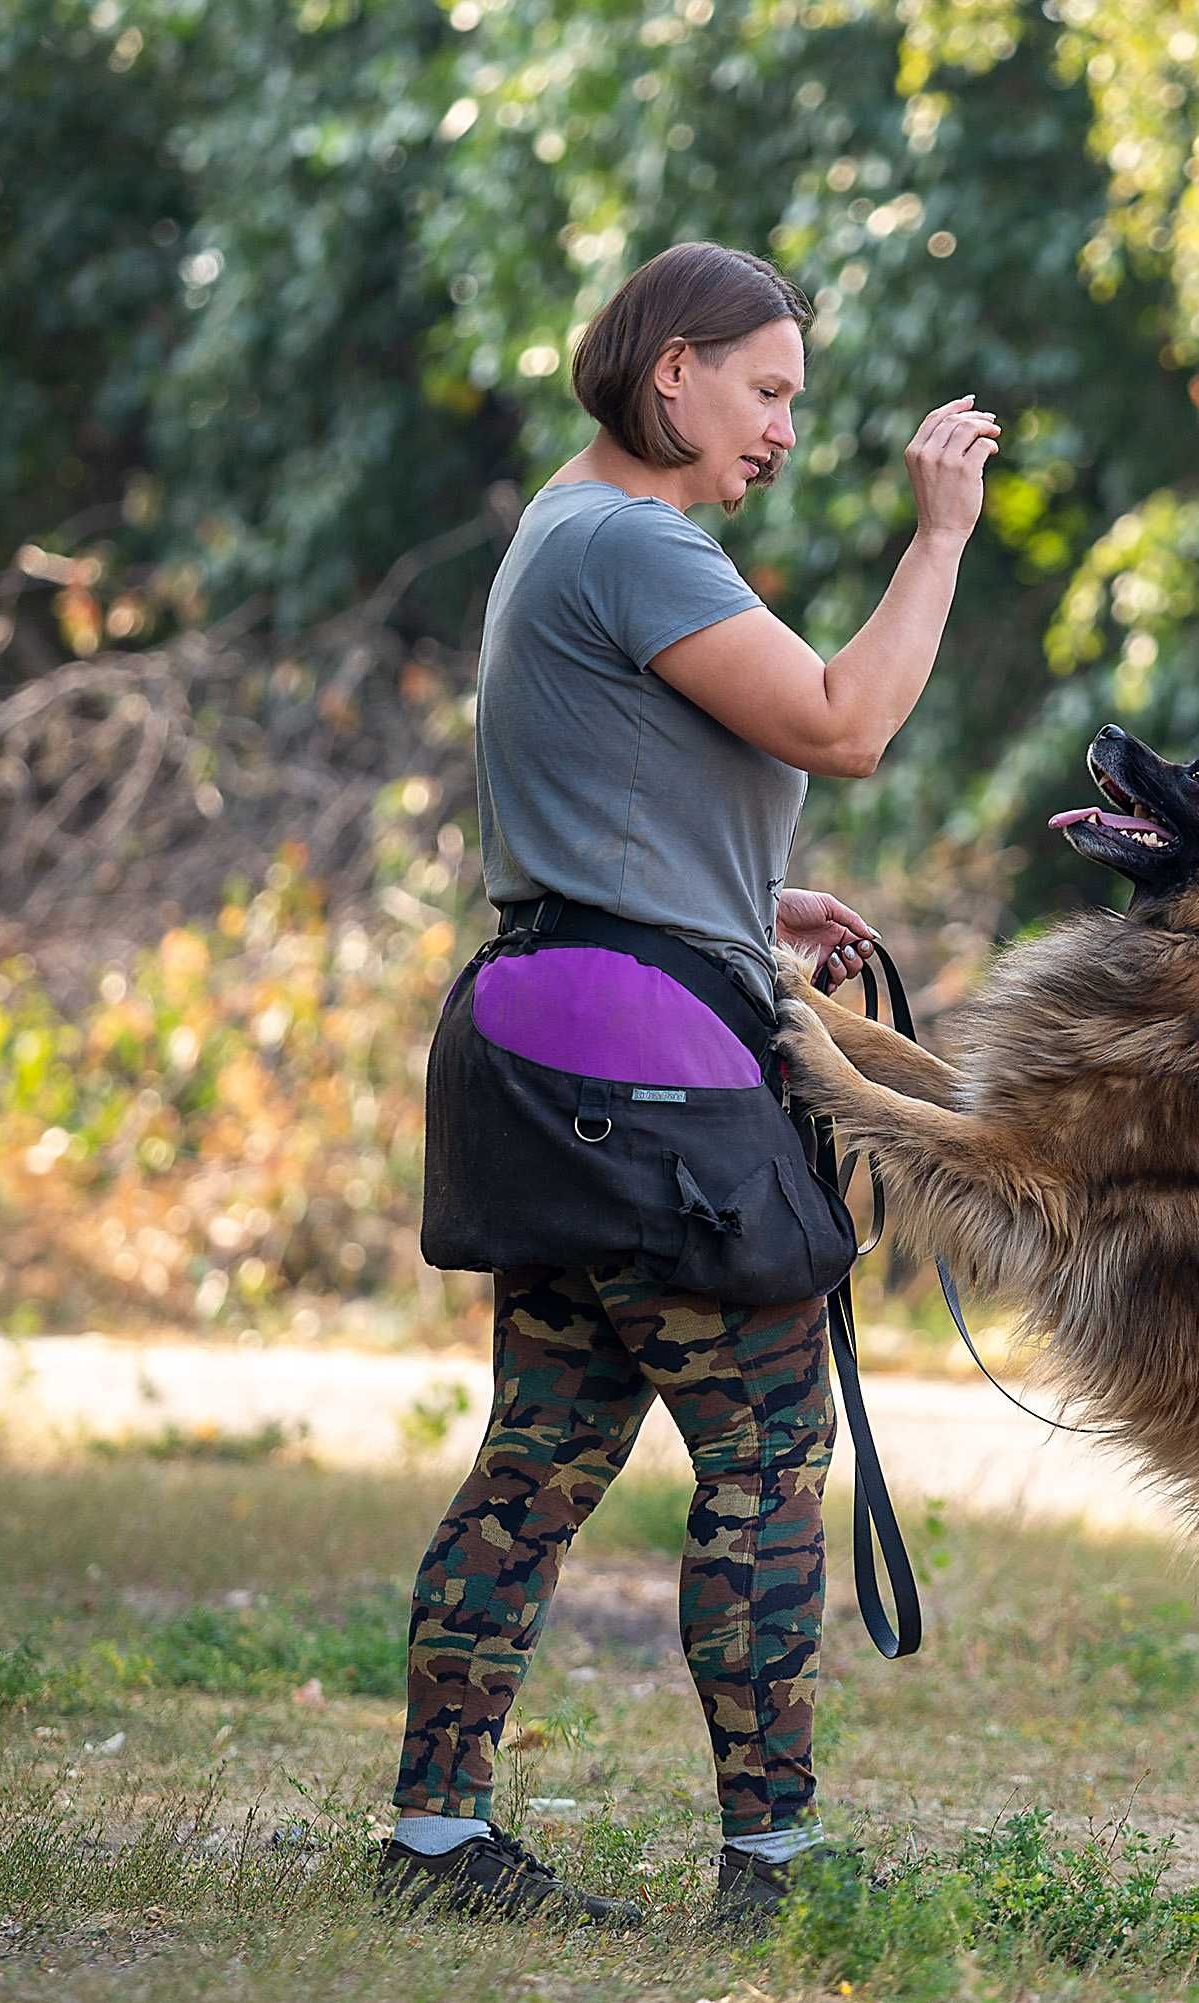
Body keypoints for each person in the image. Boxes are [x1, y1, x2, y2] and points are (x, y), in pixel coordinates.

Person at [376, 241, 998, 1930]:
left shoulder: (562, 532)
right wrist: (937, 537)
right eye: (768, 388)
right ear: (674, 374)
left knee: (542, 1453)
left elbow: (603, 795)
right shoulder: (637, 541)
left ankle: (436, 1839)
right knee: (770, 1451)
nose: (786, 425)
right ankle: (772, 1866)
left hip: (546, 1027)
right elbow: (843, 721)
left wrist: (742, 898)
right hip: (641, 1064)